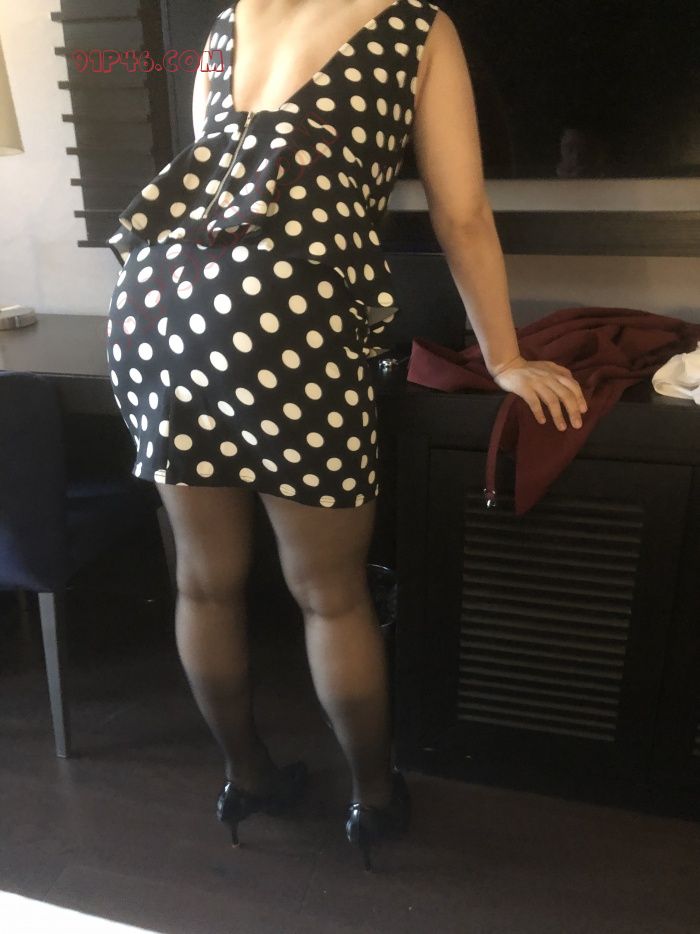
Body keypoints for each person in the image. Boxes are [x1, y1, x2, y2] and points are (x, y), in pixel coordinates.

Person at [105, 0, 587, 871]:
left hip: (156, 299)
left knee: (204, 581)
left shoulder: (229, 21)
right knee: (330, 592)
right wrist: (504, 356)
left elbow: (226, 180)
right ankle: (374, 799)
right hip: (281, 309)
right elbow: (461, 213)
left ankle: (246, 778)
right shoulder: (414, 25)